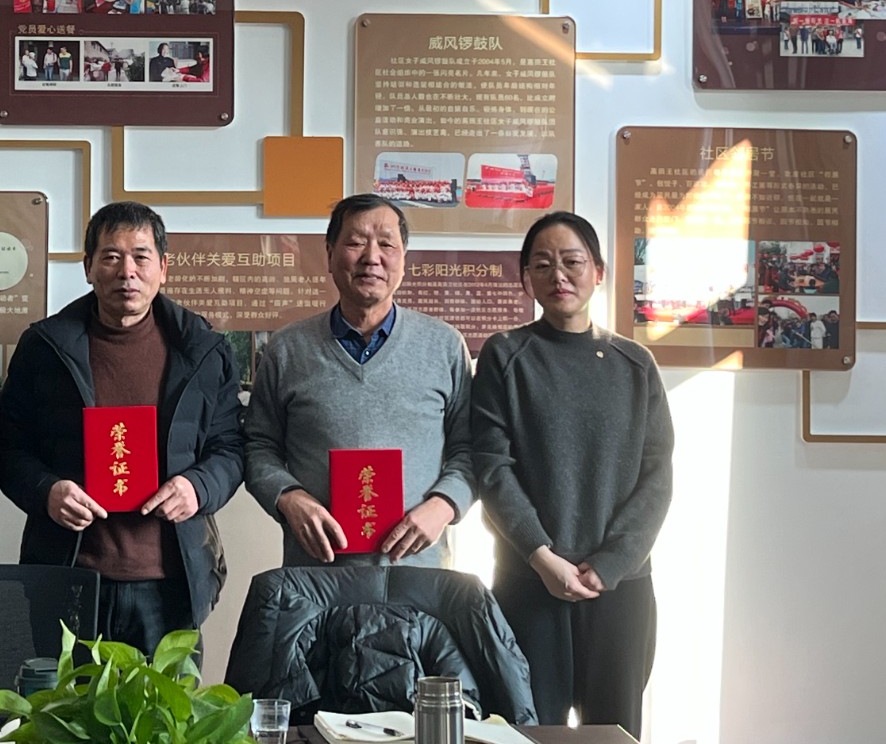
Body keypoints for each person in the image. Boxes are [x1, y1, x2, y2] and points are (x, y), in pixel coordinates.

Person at [0, 201, 244, 657]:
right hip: (70, 576)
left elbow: (230, 447)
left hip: (170, 583)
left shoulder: (203, 350)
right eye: (111, 256)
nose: (126, 271)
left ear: (163, 268)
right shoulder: (45, 348)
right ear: (88, 267)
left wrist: (198, 487)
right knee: (65, 702)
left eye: (140, 256)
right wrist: (46, 491)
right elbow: (9, 447)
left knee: (170, 705)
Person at [472, 211, 673, 738]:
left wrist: (610, 564)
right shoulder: (506, 354)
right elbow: (492, 468)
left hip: (620, 586)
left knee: (615, 731)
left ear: (598, 272)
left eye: (571, 262)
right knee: (528, 728)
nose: (558, 275)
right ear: (526, 278)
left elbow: (657, 476)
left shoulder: (635, 364)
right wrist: (542, 557)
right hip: (529, 579)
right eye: (542, 264)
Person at [245, 194, 475, 568]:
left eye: (387, 244)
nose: (372, 257)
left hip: (417, 573)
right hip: (316, 575)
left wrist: (445, 504)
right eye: (355, 242)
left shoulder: (444, 345)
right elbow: (258, 445)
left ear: (404, 259)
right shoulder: (287, 348)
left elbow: (470, 449)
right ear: (330, 254)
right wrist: (288, 497)